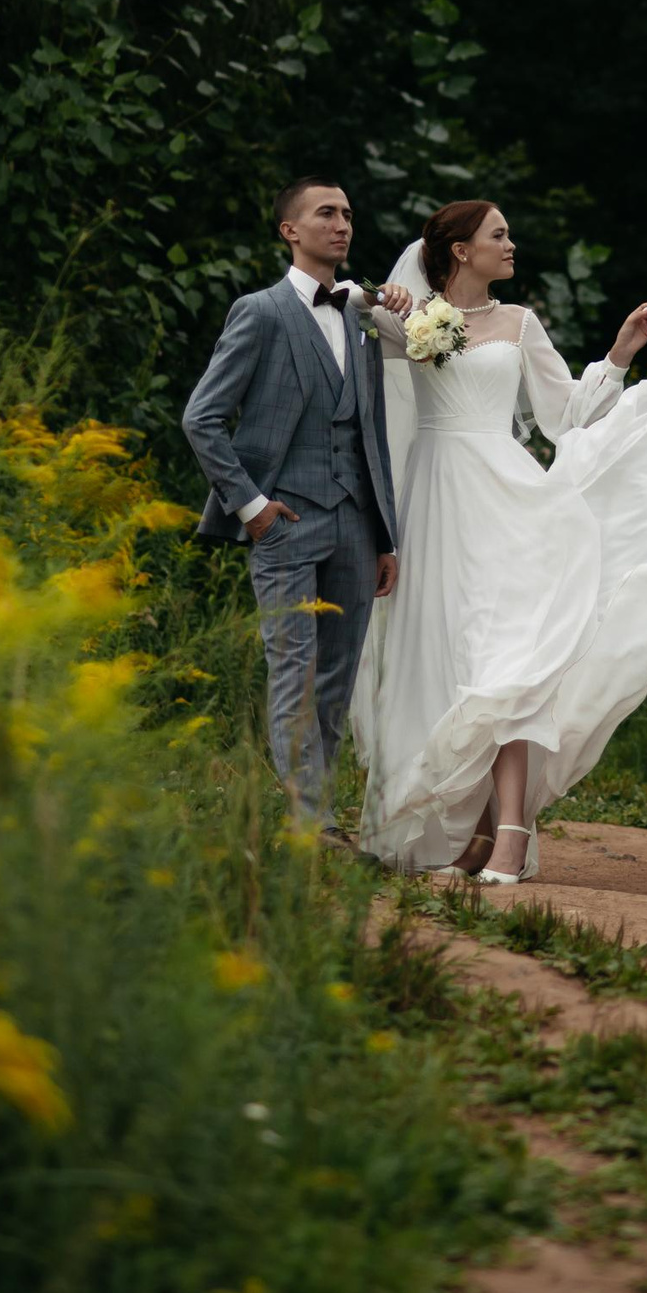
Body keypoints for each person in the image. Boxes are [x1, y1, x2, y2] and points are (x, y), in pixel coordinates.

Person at [348, 200, 647, 883]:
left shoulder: (519, 322)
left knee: (515, 658)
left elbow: (564, 415)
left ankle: (510, 833)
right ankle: (463, 834)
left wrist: (619, 356)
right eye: (498, 235)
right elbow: (336, 306)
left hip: (509, 500)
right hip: (435, 503)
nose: (512, 245)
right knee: (450, 659)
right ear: (459, 249)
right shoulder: (409, 317)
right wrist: (380, 295)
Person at [180, 179, 401, 844]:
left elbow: (370, 432)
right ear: (289, 230)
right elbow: (202, 418)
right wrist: (251, 507)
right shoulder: (262, 312)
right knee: (295, 670)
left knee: (338, 676)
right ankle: (311, 822)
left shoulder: (360, 318)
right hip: (285, 524)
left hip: (357, 526)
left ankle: (320, 811)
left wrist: (384, 534)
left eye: (348, 215)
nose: (342, 225)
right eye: (326, 214)